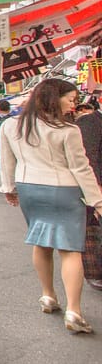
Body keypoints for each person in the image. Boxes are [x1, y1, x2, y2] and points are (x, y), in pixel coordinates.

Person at [0, 79, 102, 335]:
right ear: (54, 98)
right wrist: (97, 201)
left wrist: (9, 188)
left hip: (29, 189)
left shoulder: (11, 125)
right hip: (62, 190)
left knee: (41, 241)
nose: (73, 104)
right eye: (70, 98)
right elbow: (81, 168)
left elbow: (7, 160)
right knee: (70, 250)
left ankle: (48, 296)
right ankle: (74, 310)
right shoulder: (66, 130)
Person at [75, 100, 102, 291]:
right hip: (96, 187)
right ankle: (95, 272)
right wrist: (95, 188)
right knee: (92, 228)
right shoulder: (90, 123)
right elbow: (88, 160)